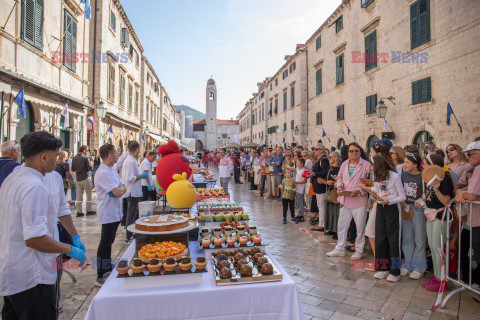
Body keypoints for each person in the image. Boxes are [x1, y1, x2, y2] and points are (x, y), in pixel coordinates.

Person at [0, 131, 85, 319]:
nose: (57, 161)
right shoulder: (34, 186)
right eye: (55, 156)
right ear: (44, 157)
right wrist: (68, 248)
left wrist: (74, 235)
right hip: (33, 277)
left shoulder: (13, 178)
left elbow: (61, 211)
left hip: (13, 274)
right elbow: (34, 239)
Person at [360, 155, 406, 282]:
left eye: (373, 165)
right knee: (380, 237)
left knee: (393, 239)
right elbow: (378, 189)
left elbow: (402, 196)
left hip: (392, 209)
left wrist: (389, 201)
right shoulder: (377, 176)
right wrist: (370, 190)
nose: (371, 167)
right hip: (380, 207)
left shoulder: (395, 176)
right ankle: (382, 268)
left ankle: (395, 271)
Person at [327, 142, 371, 260]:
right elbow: (340, 177)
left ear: (360, 152)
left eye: (356, 151)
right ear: (348, 153)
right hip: (345, 199)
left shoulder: (366, 165)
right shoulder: (345, 164)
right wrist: (340, 186)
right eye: (351, 151)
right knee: (342, 225)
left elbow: (368, 181)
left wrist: (360, 191)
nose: (354, 153)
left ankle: (359, 249)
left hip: (359, 200)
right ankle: (340, 247)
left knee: (359, 227)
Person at [94, 144, 126, 286]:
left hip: (115, 211)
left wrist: (119, 189)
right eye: (115, 153)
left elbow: (122, 186)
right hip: (108, 211)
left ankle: (107, 266)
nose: (118, 155)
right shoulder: (103, 172)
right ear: (110, 155)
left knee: (110, 242)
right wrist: (119, 190)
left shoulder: (112, 170)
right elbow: (118, 191)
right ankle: (101, 273)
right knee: (105, 243)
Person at [422, 153, 454, 292]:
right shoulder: (429, 179)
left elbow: (446, 201)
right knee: (434, 248)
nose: (423, 166)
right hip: (431, 215)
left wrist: (436, 189)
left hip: (441, 216)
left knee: (438, 248)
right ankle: (436, 276)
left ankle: (442, 279)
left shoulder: (445, 179)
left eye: (426, 164)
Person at [455, 141, 480, 286]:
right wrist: (460, 191)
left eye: (471, 154)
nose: (468, 157)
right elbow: (469, 189)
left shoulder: (478, 169)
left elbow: (471, 195)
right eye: (467, 154)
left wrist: (460, 193)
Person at [400, 152, 427, 280]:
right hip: (406, 208)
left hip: (418, 209)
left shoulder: (423, 177)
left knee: (419, 238)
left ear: (415, 165)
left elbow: (426, 194)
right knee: (407, 237)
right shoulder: (404, 175)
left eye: (407, 162)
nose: (405, 165)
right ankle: (407, 264)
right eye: (404, 162)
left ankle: (419, 267)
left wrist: (421, 202)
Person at [122, 141, 148, 243]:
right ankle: (128, 236)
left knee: (134, 214)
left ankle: (134, 233)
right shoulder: (130, 161)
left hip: (133, 191)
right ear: (137, 149)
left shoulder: (131, 160)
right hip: (131, 192)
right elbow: (130, 178)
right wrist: (141, 176)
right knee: (131, 214)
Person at [310, 144, 330, 231]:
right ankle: (322, 223)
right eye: (315, 149)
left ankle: (322, 224)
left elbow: (325, 172)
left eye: (317, 149)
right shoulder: (319, 160)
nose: (316, 151)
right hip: (317, 186)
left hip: (321, 186)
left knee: (321, 206)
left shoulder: (324, 160)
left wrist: (315, 174)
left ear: (322, 150)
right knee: (320, 205)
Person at [71, 145, 95, 217]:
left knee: (79, 196)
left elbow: (73, 169)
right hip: (85, 178)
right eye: (87, 150)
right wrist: (91, 161)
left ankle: (79, 211)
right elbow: (90, 168)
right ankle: (89, 210)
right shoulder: (85, 158)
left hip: (78, 179)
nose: (87, 152)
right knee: (88, 195)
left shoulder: (74, 158)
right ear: (84, 150)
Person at [324, 152, 342, 236]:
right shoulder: (330, 168)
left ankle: (337, 230)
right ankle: (331, 228)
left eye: (330, 157)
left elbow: (342, 181)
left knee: (336, 212)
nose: (329, 159)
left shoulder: (340, 169)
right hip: (329, 192)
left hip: (336, 193)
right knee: (330, 211)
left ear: (336, 158)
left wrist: (334, 182)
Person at [294, 158, 308, 223]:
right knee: (297, 202)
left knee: (300, 202)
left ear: (302, 164)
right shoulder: (298, 170)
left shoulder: (303, 171)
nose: (297, 164)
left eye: (298, 163)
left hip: (300, 188)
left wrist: (297, 182)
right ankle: (299, 214)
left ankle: (301, 215)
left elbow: (304, 180)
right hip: (297, 188)